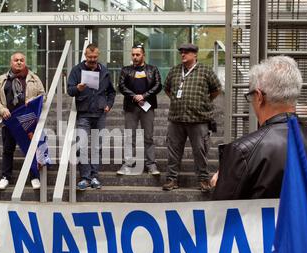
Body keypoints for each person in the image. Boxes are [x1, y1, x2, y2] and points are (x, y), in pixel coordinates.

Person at [213, 56, 307, 200]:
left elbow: (222, 214)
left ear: (259, 96)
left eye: (251, 96)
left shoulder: (242, 151)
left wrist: (222, 182)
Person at [162, 43, 222, 193]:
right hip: (176, 118)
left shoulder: (205, 71)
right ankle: (172, 179)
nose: (183, 54)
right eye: (181, 52)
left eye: (187, 52)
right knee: (173, 151)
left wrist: (204, 102)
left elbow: (216, 90)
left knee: (200, 151)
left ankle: (203, 179)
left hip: (198, 119)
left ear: (195, 54)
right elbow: (167, 89)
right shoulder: (175, 71)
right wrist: (177, 101)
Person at [0, 52, 46, 190]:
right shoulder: (2, 79)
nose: (19, 62)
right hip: (9, 119)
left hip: (27, 119)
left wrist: (32, 101)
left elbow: (42, 95)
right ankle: (5, 177)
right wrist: (2, 109)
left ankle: (34, 176)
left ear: (25, 62)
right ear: (11, 62)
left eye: (22, 60)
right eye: (16, 60)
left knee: (30, 149)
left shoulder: (33, 78)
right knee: (8, 149)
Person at [67, 43, 116, 191]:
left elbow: (111, 92)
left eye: (95, 57)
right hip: (84, 113)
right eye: (90, 57)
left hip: (100, 113)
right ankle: (85, 177)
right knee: (82, 145)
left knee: (97, 146)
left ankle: (94, 176)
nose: (93, 59)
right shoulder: (77, 70)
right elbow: (69, 90)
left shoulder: (104, 71)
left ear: (98, 55)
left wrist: (109, 104)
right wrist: (78, 88)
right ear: (85, 56)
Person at [117, 44, 163, 176]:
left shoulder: (152, 69)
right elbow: (121, 86)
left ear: (143, 55)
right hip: (131, 107)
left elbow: (158, 85)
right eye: (133, 54)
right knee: (129, 137)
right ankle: (128, 164)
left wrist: (144, 96)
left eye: (138, 54)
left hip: (147, 106)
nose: (135, 57)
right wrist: (135, 97)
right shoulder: (125, 70)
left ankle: (151, 165)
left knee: (148, 136)